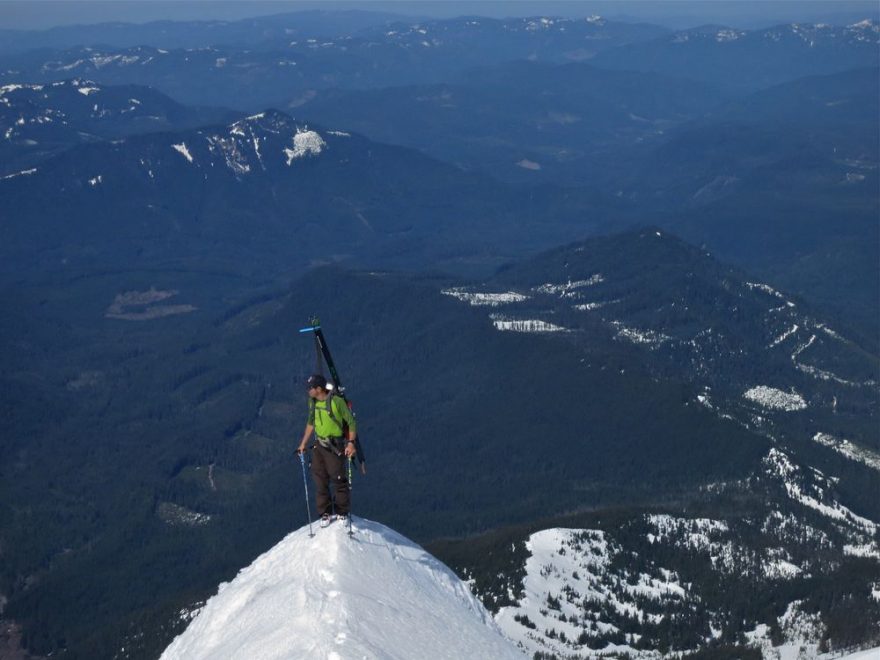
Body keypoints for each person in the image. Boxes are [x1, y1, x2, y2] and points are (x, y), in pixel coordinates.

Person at [297, 374, 358, 527]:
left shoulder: (337, 402)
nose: (308, 391)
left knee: (338, 479)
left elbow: (351, 422)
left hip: (335, 446)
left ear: (319, 389)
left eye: (310, 388)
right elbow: (311, 423)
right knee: (320, 479)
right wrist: (303, 444)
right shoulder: (313, 402)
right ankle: (325, 512)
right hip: (319, 445)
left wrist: (351, 444)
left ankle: (342, 512)